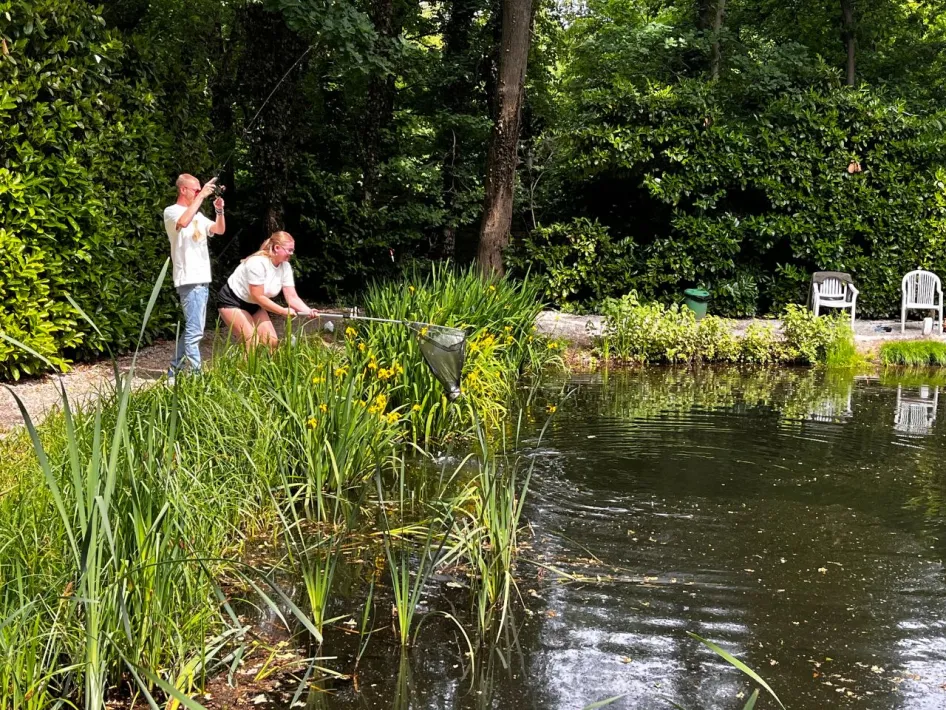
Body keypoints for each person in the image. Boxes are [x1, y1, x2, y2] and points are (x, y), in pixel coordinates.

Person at [164, 174, 225, 378]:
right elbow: (182, 222)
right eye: (196, 190)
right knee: (195, 331)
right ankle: (197, 376)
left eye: (200, 190)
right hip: (188, 278)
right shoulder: (171, 212)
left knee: (193, 328)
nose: (200, 194)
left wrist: (219, 211)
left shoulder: (197, 215)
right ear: (183, 190)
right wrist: (201, 199)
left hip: (202, 279)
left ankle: (175, 371)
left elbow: (218, 229)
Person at [217, 231, 316, 350]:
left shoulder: (285, 267)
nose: (292, 253)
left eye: (292, 250)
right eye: (289, 250)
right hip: (232, 301)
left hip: (253, 304)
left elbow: (292, 297)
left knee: (272, 342)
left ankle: (269, 368)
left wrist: (308, 311)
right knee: (252, 343)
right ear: (277, 248)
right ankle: (245, 368)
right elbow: (257, 296)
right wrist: (282, 311)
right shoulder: (257, 263)